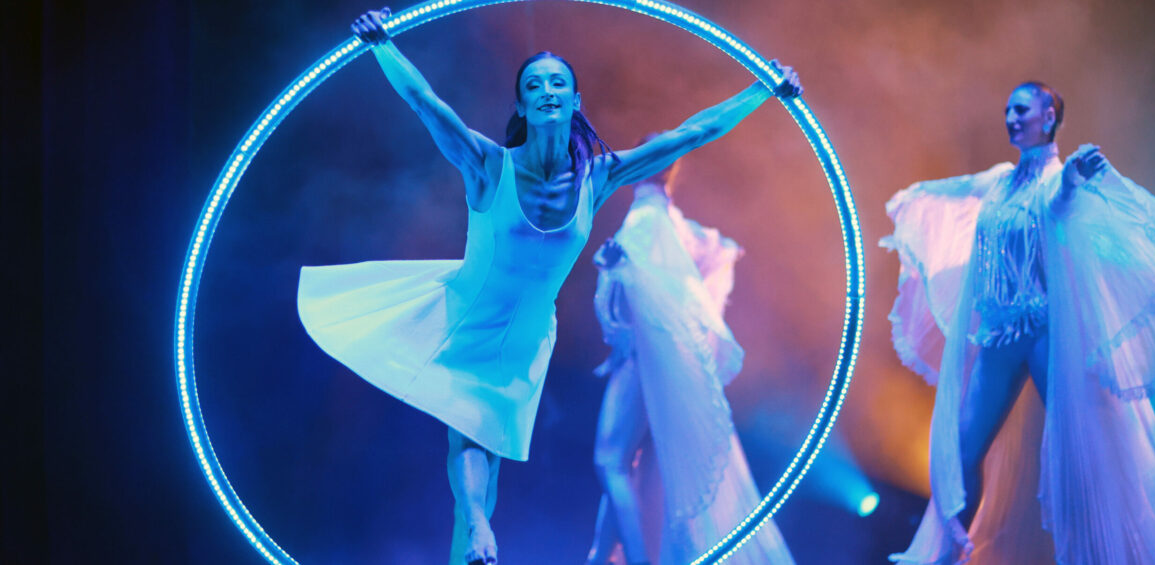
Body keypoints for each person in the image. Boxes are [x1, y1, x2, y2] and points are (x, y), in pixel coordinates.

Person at [296, 8, 802, 565]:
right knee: (468, 432)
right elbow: (426, 103)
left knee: (486, 457)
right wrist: (383, 45)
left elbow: (694, 132)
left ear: (575, 101)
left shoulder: (598, 176)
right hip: (468, 313)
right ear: (522, 106)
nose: (546, 91)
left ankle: (473, 540)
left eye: (557, 82)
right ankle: (480, 531)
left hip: (531, 334)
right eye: (533, 85)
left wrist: (764, 89)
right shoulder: (488, 164)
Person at [883, 81, 1155, 564]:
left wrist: (1072, 184)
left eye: (1022, 109)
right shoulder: (998, 180)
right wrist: (910, 199)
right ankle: (947, 551)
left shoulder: (1060, 179)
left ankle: (1113, 549)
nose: (1011, 118)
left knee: (1084, 447)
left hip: (1046, 333)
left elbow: (1059, 212)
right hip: (999, 336)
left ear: (1048, 115)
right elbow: (953, 194)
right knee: (963, 448)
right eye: (1007, 109)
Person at [585, 148, 795, 565]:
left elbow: (638, 292)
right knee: (631, 464)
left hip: (644, 359)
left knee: (611, 460)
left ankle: (632, 560)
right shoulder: (674, 223)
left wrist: (616, 267)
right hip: (661, 360)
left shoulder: (646, 218)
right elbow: (698, 267)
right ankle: (600, 555)